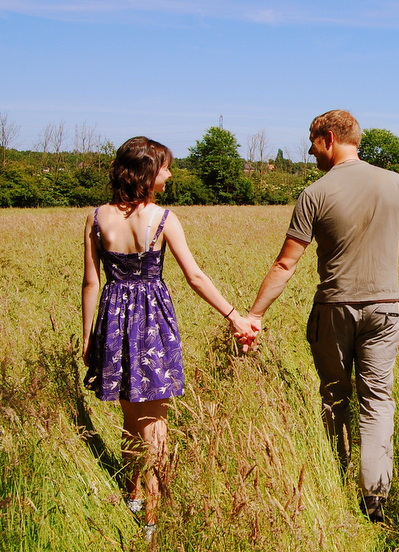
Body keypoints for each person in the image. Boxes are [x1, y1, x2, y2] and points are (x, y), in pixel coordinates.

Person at [240, 110, 399, 523]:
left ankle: (335, 484)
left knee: (335, 398)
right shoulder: (396, 184)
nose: (309, 149)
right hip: (385, 308)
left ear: (330, 137)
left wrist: (254, 314)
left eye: (312, 140)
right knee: (377, 402)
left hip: (333, 309)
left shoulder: (314, 193)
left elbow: (286, 265)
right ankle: (375, 503)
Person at [82, 136, 251, 541]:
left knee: (128, 419)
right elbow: (194, 276)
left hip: (113, 323)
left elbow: (91, 282)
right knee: (155, 423)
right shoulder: (163, 218)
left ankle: (132, 497)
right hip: (152, 324)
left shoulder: (95, 218)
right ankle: (151, 523)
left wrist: (87, 337)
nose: (170, 174)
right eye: (165, 167)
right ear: (146, 172)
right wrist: (234, 315)